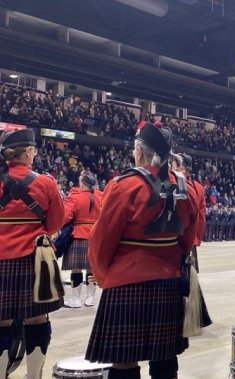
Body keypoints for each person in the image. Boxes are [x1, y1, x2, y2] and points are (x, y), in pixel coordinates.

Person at [85, 121, 199, 379]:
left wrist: (104, 277)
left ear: (139, 152)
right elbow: (187, 239)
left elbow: (101, 240)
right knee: (166, 360)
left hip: (126, 283)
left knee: (124, 362)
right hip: (169, 282)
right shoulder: (186, 189)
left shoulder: (123, 185)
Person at [0, 129, 64, 379]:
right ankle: (34, 376)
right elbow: (56, 223)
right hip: (34, 261)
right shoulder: (45, 182)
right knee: (37, 319)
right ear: (28, 151)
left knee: (1, 321)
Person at [62, 170, 103, 307]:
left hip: (78, 235)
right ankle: (90, 298)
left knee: (76, 269)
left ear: (82, 184)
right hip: (96, 236)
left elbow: (65, 215)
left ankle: (75, 300)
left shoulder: (75, 197)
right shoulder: (102, 196)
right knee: (92, 268)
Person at [171, 153, 205, 272]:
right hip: (191, 237)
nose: (171, 164)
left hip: (175, 239)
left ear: (179, 166)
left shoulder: (174, 182)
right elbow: (201, 217)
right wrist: (196, 238)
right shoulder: (199, 187)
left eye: (173, 162)